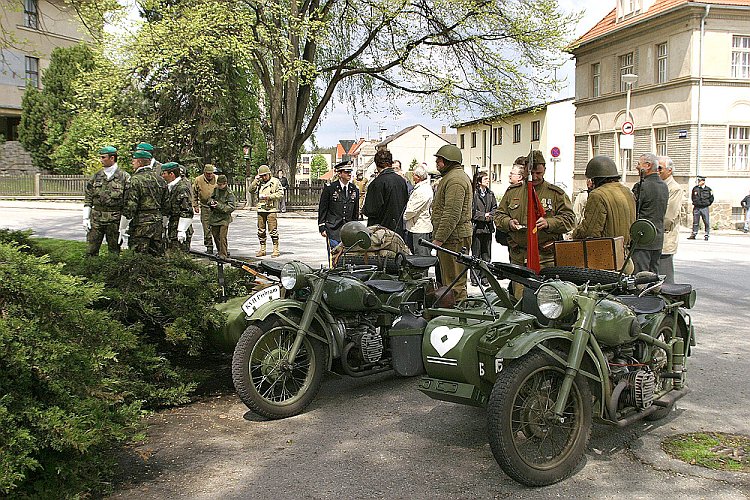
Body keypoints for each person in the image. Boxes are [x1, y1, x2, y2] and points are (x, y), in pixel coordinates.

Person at [495, 150, 575, 277]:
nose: (535, 177)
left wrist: (549, 223)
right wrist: (509, 222)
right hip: (519, 257)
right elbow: (498, 216)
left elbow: (570, 219)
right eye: (531, 172)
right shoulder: (513, 192)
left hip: (545, 258)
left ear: (545, 170)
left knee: (544, 294)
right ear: (525, 170)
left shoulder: (555, 194)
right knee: (520, 295)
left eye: (539, 173)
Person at [571, 156, 636, 273]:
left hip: (605, 260)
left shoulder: (598, 195)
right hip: (626, 257)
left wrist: (574, 234)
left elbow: (590, 231)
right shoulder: (627, 192)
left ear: (596, 179)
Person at [431, 145, 473, 301]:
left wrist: (438, 239)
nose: (437, 163)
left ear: (449, 161)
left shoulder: (455, 180)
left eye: (440, 160)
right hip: (452, 237)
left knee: (455, 284)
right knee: (450, 281)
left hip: (454, 239)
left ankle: (459, 315)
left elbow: (451, 214)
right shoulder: (452, 177)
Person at [83, 146, 130, 256]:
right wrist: (85, 218)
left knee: (114, 251)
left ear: (112, 158)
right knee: (91, 250)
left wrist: (124, 225)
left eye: (103, 157)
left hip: (115, 220)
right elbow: (88, 197)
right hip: (96, 219)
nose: (101, 160)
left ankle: (111, 272)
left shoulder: (124, 177)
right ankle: (89, 272)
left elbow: (128, 202)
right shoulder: (96, 177)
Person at [119, 149, 168, 256]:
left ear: (140, 162)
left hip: (140, 225)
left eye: (134, 160)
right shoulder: (160, 180)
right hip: (157, 224)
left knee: (139, 258)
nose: (132, 163)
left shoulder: (135, 180)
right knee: (157, 257)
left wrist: (122, 228)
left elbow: (130, 207)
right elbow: (166, 206)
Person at [631, 153, 668, 274]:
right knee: (653, 277)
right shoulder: (664, 186)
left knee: (640, 279)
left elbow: (633, 212)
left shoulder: (642, 186)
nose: (636, 167)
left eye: (638, 164)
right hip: (657, 238)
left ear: (647, 165)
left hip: (642, 240)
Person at [362, 149, 409, 235]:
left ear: (376, 164)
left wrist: (364, 209)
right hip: (398, 231)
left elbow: (371, 210)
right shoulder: (402, 181)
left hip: (381, 233)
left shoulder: (376, 183)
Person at [318, 160, 359, 249]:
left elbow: (355, 211)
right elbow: (323, 208)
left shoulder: (354, 189)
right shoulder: (330, 188)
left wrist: (355, 226)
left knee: (347, 258)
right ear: (339, 174)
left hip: (348, 230)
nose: (349, 174)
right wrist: (322, 227)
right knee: (334, 257)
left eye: (350, 172)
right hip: (333, 229)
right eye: (346, 172)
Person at [657, 156, 685, 283]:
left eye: (660, 168)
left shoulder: (674, 188)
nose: (657, 171)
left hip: (665, 238)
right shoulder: (658, 185)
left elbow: (669, 217)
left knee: (665, 278)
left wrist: (653, 230)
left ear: (669, 170)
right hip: (656, 239)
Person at [250, 164, 283, 257]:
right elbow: (250, 190)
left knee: (273, 230)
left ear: (269, 174)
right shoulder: (259, 182)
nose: (264, 177)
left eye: (265, 175)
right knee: (261, 230)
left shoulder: (275, 182)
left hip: (271, 209)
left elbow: (280, 193)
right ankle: (262, 248)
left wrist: (270, 197)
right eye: (262, 176)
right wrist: (256, 180)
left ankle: (276, 249)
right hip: (261, 209)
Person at [470, 171, 497, 286]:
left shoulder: (490, 194)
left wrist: (490, 216)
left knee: (486, 254)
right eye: (485, 179)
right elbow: (471, 211)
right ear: (479, 181)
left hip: (487, 228)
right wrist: (482, 216)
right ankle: (475, 277)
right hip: (477, 228)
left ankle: (485, 277)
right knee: (476, 254)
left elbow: (495, 208)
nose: (488, 180)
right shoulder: (474, 195)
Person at [161, 162, 194, 252]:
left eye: (164, 173)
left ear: (171, 174)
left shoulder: (181, 188)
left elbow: (187, 210)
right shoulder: (171, 187)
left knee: (179, 256)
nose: (162, 176)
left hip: (180, 229)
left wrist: (181, 230)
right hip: (172, 227)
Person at [403, 164, 433, 256]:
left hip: (421, 229)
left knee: (421, 257)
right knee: (415, 255)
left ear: (418, 177)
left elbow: (412, 209)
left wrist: (405, 217)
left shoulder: (423, 190)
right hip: (415, 227)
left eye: (414, 175)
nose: (412, 177)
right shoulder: (420, 188)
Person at [208, 175, 236, 259]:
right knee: (215, 235)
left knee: (222, 237)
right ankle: (220, 250)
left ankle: (223, 254)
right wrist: (211, 202)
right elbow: (210, 198)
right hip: (215, 217)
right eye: (218, 184)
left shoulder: (229, 193)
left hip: (224, 218)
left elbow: (231, 207)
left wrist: (219, 206)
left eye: (221, 185)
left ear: (225, 183)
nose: (219, 186)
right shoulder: (216, 190)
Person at [193, 164, 218, 254]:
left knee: (216, 227)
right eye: (208, 174)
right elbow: (194, 193)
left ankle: (220, 247)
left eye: (211, 173)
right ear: (204, 173)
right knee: (206, 227)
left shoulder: (217, 179)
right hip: (204, 206)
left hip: (215, 207)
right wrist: (195, 205)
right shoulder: (198, 180)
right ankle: (209, 246)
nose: (210, 175)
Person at [689, 176, 714, 240]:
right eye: (698, 181)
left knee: (706, 222)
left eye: (700, 181)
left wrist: (707, 204)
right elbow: (692, 197)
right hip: (697, 207)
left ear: (703, 181)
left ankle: (706, 234)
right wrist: (695, 202)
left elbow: (711, 198)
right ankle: (694, 233)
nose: (698, 182)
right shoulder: (695, 188)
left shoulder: (708, 189)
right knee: (695, 221)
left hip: (704, 207)